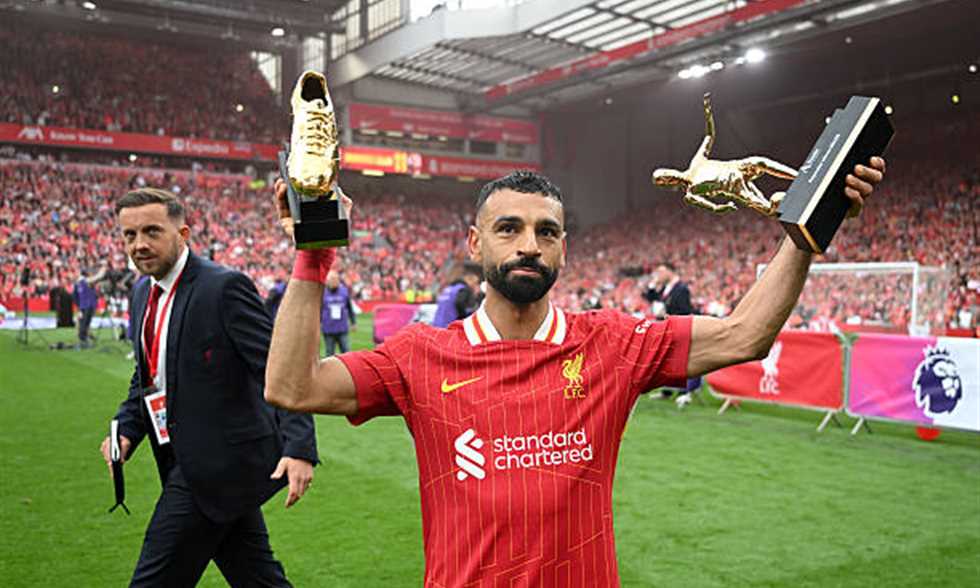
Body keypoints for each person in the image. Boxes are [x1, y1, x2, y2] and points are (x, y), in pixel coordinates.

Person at [264, 162, 884, 586]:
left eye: (547, 232)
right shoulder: (420, 354)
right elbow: (293, 387)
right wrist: (313, 257)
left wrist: (808, 230)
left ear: (563, 249)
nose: (529, 245)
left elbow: (746, 334)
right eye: (509, 229)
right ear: (475, 244)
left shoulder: (612, 343)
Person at [98, 188, 318, 587]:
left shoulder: (223, 287)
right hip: (185, 460)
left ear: (183, 233)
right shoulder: (142, 292)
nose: (139, 244)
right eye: (130, 235)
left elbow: (276, 369)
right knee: (258, 579)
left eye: (151, 231)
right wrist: (127, 428)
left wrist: (299, 447)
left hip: (219, 465)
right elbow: (148, 375)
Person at [644, 262, 699, 401]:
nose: (659, 275)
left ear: (670, 271)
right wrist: (652, 285)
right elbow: (651, 298)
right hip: (667, 327)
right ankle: (667, 391)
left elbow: (685, 311)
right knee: (668, 361)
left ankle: (683, 393)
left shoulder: (681, 289)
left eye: (661, 272)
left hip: (677, 329)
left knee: (680, 360)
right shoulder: (665, 287)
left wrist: (667, 314)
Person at [431, 261, 483, 328]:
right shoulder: (463, 289)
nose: (475, 285)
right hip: (449, 326)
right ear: (470, 281)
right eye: (475, 283)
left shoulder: (448, 288)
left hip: (437, 324)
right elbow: (460, 303)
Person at [321, 269, 356, 356]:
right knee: (329, 354)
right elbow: (319, 310)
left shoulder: (344, 291)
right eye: (331, 279)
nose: (334, 281)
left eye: (335, 279)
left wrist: (353, 322)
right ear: (327, 281)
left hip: (342, 328)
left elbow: (350, 308)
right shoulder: (322, 292)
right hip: (328, 329)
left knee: (346, 353)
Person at [72, 264, 106, 348]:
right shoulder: (83, 281)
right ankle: (83, 338)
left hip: (86, 305)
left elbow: (75, 297)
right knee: (85, 322)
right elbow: (98, 277)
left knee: (85, 322)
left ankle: (85, 337)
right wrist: (103, 270)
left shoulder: (80, 282)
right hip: (86, 306)